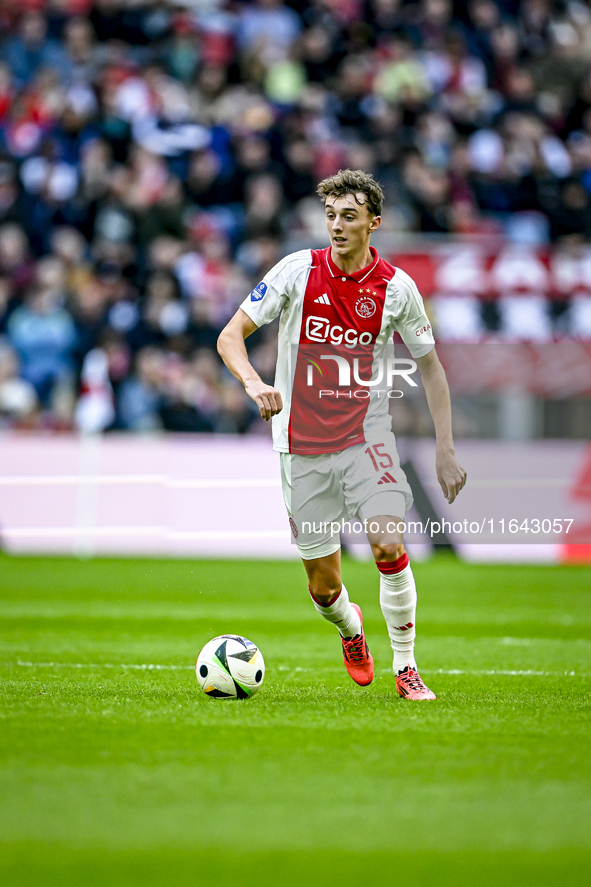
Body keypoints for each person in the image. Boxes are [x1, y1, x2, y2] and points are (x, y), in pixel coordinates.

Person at [217, 168, 466, 700]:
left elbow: (432, 368)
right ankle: (351, 631)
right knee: (324, 587)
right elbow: (230, 335)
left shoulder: (397, 290)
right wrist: (254, 381)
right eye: (330, 215)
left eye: (348, 216)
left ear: (374, 223)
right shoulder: (296, 272)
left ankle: (406, 667)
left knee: (387, 544)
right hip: (300, 445)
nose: (336, 226)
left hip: (366, 439)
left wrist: (445, 448)